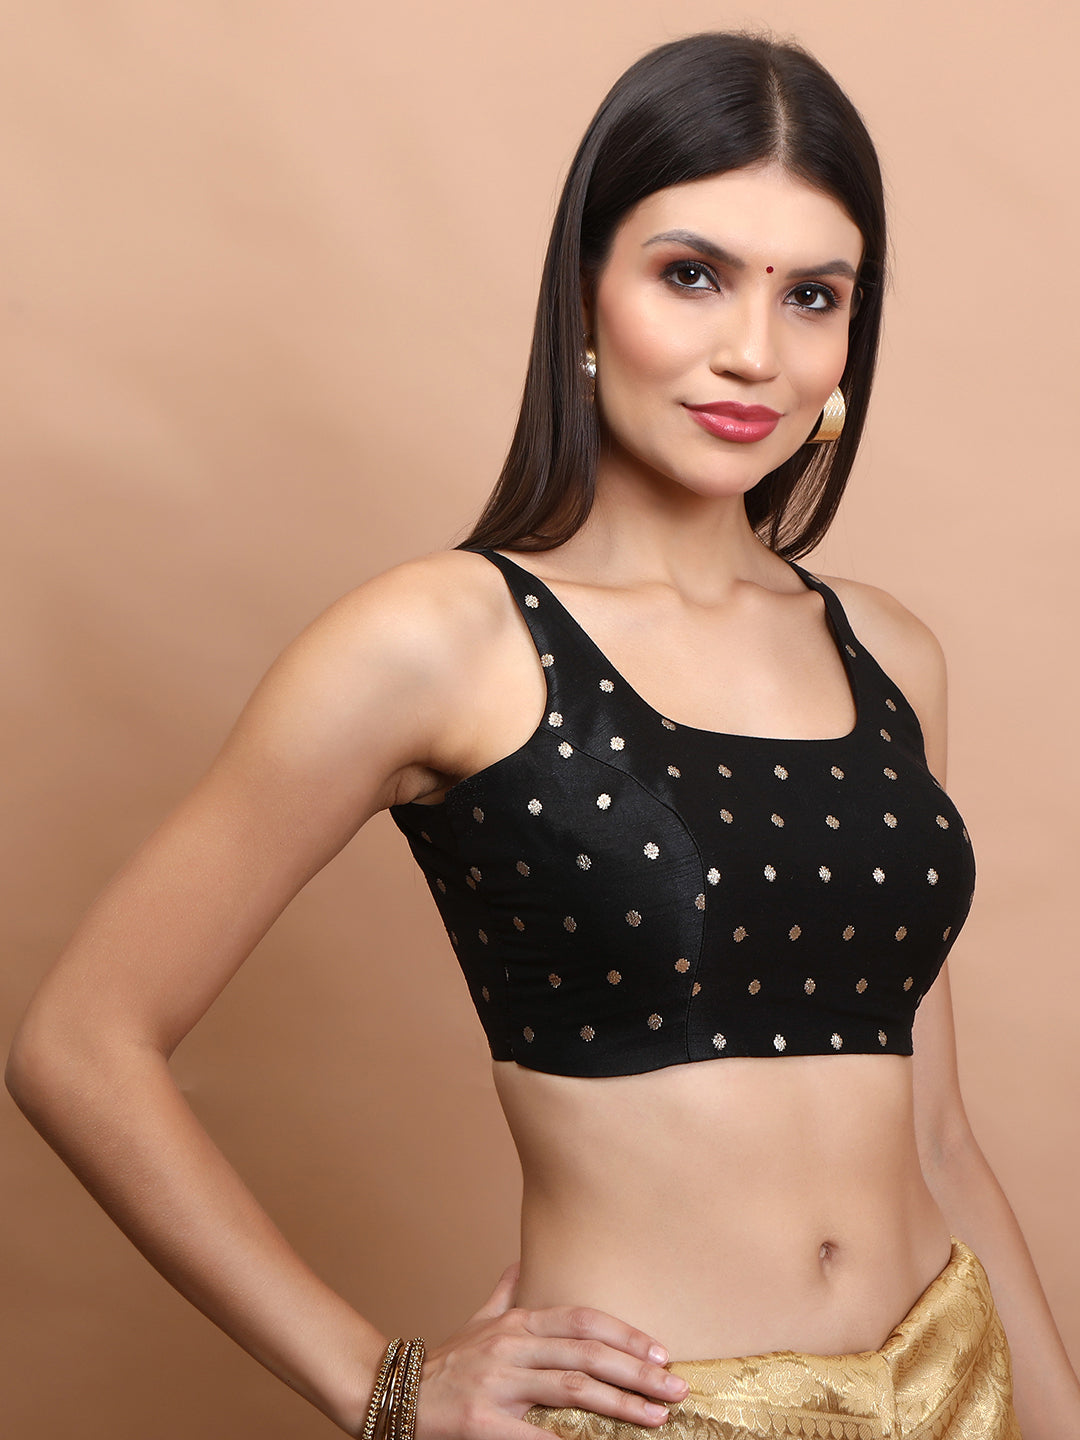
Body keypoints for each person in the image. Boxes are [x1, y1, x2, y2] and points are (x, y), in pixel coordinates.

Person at [6, 29, 1079, 1440]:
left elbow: (937, 1136)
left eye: (812, 296)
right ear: (584, 291)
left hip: (953, 1386)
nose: (752, 351)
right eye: (691, 274)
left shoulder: (887, 654)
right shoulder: (443, 639)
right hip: (659, 1418)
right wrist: (382, 1386)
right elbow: (80, 1042)